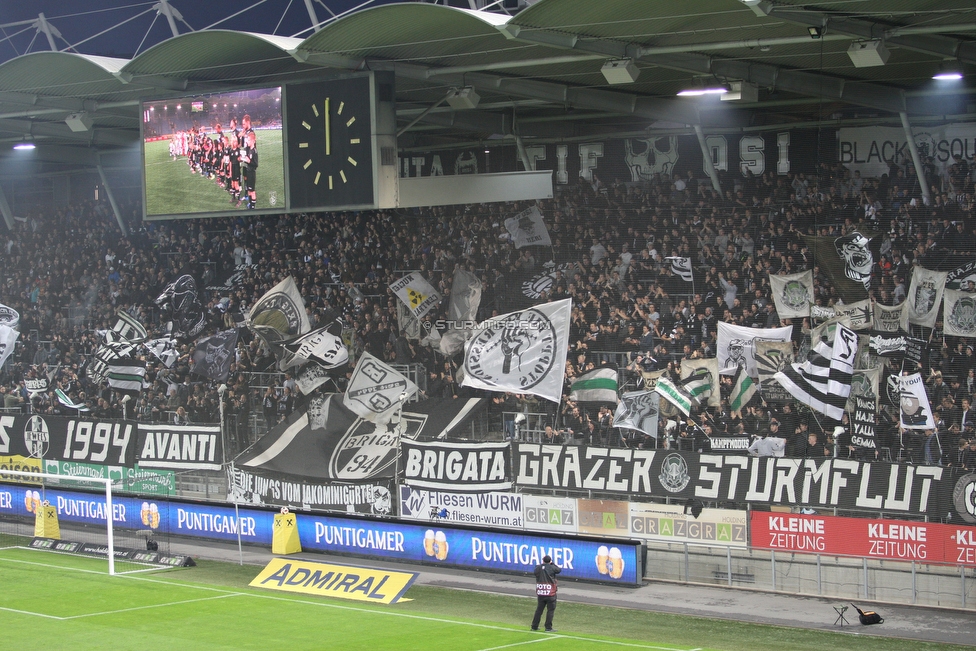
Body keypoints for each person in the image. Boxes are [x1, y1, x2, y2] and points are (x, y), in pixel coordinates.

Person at [531, 554, 561, 632]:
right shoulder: (552, 567)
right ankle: (548, 627)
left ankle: (534, 626)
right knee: (550, 610)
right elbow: (558, 570)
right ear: (550, 561)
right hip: (550, 593)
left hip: (541, 592)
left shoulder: (538, 568)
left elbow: (535, 572)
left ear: (543, 560)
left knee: (539, 610)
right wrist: (552, 563)